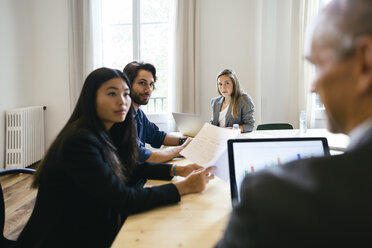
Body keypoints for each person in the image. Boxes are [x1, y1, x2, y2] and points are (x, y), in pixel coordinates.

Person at [216, 0, 372, 247]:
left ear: (364, 61)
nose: (313, 86)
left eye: (318, 65)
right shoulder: (216, 103)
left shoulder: (274, 198)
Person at [17, 68, 215, 248]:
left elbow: (127, 166)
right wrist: (185, 186)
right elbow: (124, 200)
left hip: (86, 228)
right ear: (90, 98)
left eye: (126, 94)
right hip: (61, 240)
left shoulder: (102, 131)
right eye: (112, 93)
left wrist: (176, 170)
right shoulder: (79, 140)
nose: (122, 101)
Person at [110, 61, 191, 163]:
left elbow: (157, 136)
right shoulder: (121, 117)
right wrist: (181, 149)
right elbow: (145, 156)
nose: (148, 90)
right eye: (142, 83)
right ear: (127, 84)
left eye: (151, 84)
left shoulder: (138, 113)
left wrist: (185, 141)